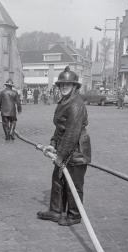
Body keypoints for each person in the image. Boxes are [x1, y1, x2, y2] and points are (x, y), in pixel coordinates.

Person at [37, 66, 91, 226]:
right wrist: (53, 144)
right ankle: (55, 211)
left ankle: (74, 216)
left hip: (77, 150)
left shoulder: (76, 104)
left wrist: (60, 156)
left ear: (75, 86)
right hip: (65, 148)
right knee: (58, 179)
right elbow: (60, 128)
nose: (64, 87)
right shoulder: (64, 101)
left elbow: (72, 133)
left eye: (68, 84)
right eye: (61, 84)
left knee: (73, 184)